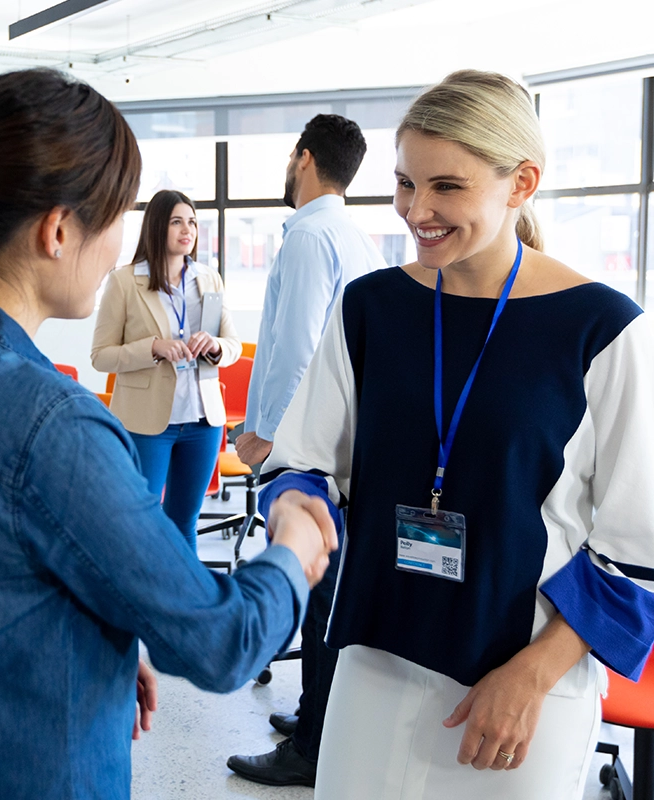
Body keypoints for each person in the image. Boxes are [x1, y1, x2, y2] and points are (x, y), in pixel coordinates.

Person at [0, 68, 337, 799]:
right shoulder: (54, 424)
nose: (116, 250)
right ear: (58, 229)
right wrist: (294, 544)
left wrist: (87, 643)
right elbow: (220, 641)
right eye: (116, 218)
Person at [255, 70, 654, 798]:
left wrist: (533, 676)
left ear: (521, 184)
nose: (417, 209)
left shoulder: (602, 331)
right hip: (376, 657)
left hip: (524, 678)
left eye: (446, 187)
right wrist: (297, 509)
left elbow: (637, 556)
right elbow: (303, 463)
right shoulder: (371, 310)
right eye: (404, 183)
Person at [227, 114, 387, 787]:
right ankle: (317, 715)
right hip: (354, 449)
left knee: (315, 592)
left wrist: (268, 437)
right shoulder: (358, 239)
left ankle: (312, 748)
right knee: (334, 591)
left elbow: (296, 353)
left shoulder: (306, 238)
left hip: (309, 452)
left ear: (304, 158)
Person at [91, 189, 241, 552]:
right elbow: (100, 356)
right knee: (141, 525)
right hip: (147, 424)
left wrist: (217, 347)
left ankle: (185, 606)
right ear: (157, 227)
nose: (187, 230)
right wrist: (153, 349)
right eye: (177, 222)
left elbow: (233, 344)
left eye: (191, 222)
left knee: (183, 524)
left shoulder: (209, 279)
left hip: (203, 421)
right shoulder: (124, 282)